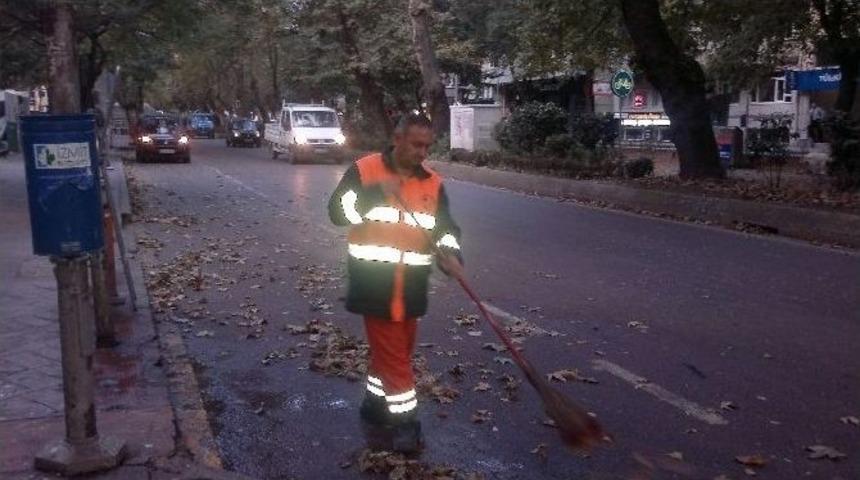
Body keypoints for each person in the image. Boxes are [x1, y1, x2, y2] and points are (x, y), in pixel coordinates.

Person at [328, 114, 463, 453]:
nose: (422, 152)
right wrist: (374, 194)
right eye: (416, 144)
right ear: (397, 139)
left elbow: (445, 228)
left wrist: (451, 255)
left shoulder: (433, 183)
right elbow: (337, 211)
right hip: (376, 285)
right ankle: (406, 425)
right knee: (397, 362)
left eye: (427, 146)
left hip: (413, 287)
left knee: (396, 353)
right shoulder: (365, 170)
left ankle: (375, 404)